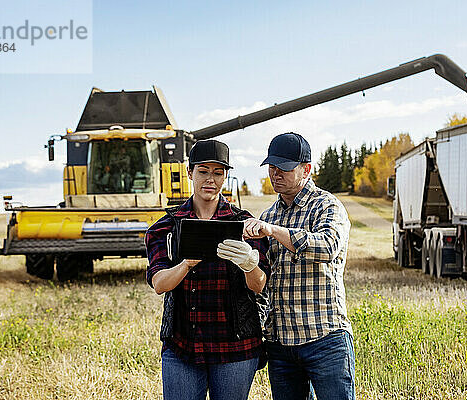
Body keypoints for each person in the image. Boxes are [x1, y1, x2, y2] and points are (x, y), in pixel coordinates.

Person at [145, 139, 270, 400]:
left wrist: (250, 264)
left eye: (218, 172)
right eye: (203, 171)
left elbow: (259, 285)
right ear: (190, 173)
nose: (210, 179)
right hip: (183, 347)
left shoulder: (244, 225)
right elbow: (160, 284)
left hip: (235, 346)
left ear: (225, 176)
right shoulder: (166, 227)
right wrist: (187, 263)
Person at [243, 132, 355, 400]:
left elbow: (327, 246)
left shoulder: (327, 206)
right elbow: (263, 280)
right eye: (271, 167)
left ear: (306, 169)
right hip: (281, 345)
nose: (275, 174)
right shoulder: (268, 214)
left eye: (283, 168)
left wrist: (274, 231)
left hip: (324, 338)